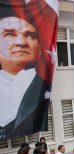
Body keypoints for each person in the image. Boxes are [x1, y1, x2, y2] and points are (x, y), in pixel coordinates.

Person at [0, 9, 50, 140]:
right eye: (10, 34)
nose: (21, 42)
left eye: (30, 36)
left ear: (39, 49)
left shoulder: (44, 86)